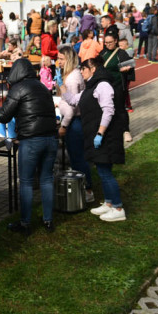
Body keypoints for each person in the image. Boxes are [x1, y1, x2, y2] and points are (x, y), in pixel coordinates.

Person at [0, 58, 58, 235]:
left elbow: (4, 115)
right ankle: (48, 220)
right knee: (46, 179)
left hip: (31, 139)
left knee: (27, 182)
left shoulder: (18, 88)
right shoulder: (42, 87)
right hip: (51, 137)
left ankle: (25, 223)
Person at [80, 57, 126, 222]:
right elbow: (78, 99)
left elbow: (108, 110)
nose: (81, 72)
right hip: (100, 135)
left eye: (83, 68)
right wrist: (63, 89)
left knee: (106, 173)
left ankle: (118, 207)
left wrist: (100, 134)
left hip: (107, 137)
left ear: (92, 68)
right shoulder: (94, 84)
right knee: (101, 171)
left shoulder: (103, 85)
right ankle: (108, 203)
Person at [55, 46, 93, 204]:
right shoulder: (75, 74)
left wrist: (63, 126)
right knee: (78, 157)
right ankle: (85, 187)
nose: (59, 62)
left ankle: (88, 190)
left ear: (69, 59)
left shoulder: (71, 79)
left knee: (77, 158)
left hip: (75, 122)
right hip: (78, 120)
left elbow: (71, 110)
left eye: (62, 59)